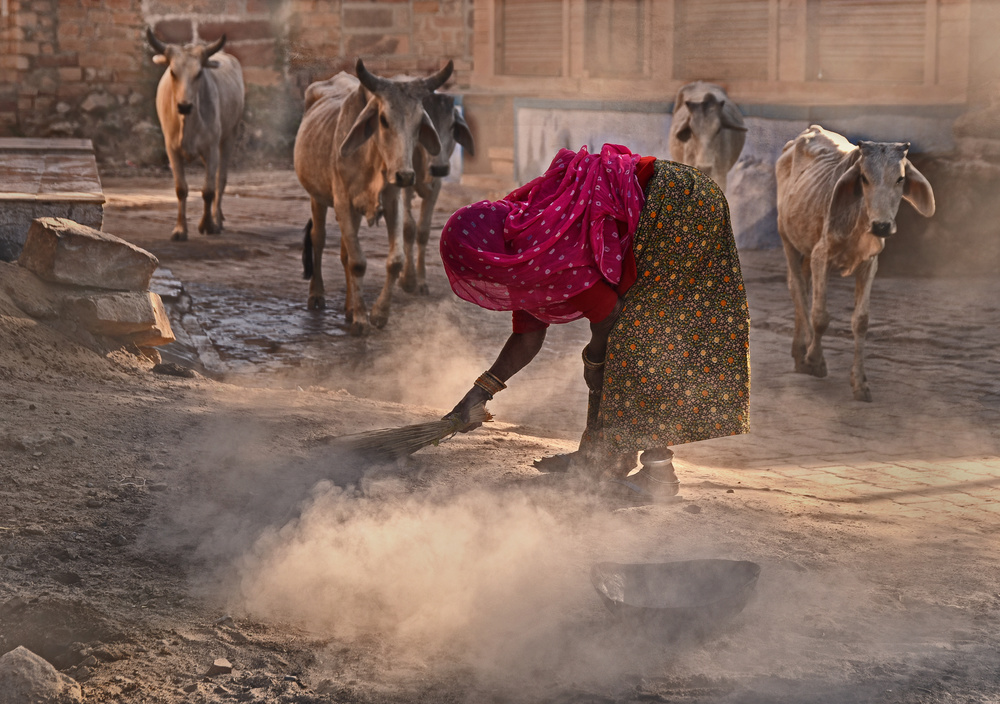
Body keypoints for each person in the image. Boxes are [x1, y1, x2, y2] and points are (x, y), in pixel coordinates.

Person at [443, 144, 750, 500]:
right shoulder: (522, 241)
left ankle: (658, 474)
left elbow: (609, 314)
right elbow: (527, 338)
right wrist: (481, 392)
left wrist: (594, 360)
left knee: (637, 338)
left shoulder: (542, 248)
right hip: (675, 195)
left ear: (489, 257)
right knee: (620, 345)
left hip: (675, 205)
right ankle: (601, 459)